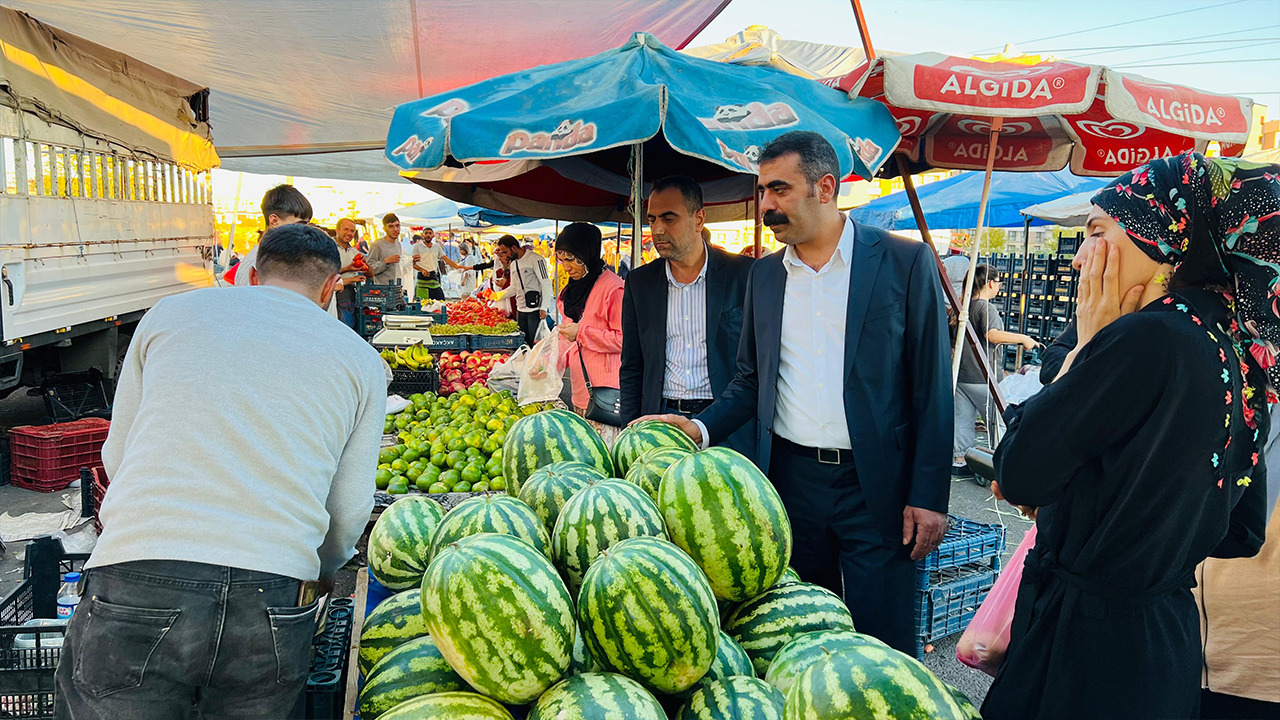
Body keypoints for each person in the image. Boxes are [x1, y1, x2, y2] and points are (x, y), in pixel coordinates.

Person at [981, 152, 1272, 720]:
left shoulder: (1143, 338)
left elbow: (1018, 472)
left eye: (1097, 231)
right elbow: (1241, 530)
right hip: (1164, 645)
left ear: (1163, 237)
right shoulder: (1240, 345)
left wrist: (1086, 349)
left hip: (1085, 654)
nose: (1080, 259)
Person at [55, 223, 384, 720]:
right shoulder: (361, 359)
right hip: (273, 591)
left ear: (251, 274)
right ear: (329, 289)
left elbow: (118, 454)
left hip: (140, 570)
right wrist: (312, 571)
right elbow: (349, 507)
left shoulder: (171, 314)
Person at [643, 131, 952, 654]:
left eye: (779, 190)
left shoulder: (904, 262)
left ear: (825, 187)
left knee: (883, 637)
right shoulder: (764, 276)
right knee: (806, 634)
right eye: (762, 190)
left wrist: (929, 496)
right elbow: (751, 380)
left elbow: (931, 390)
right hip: (789, 482)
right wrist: (699, 428)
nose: (766, 205)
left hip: (877, 485)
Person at [620, 175, 756, 457]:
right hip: (661, 421)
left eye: (669, 218)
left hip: (726, 419)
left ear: (699, 219)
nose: (657, 229)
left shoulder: (745, 275)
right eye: (652, 218)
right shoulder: (640, 283)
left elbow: (755, 368)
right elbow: (632, 365)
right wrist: (628, 431)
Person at [952, 263, 1038, 478]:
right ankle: (999, 465)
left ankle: (960, 461)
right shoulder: (985, 307)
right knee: (998, 422)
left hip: (962, 377)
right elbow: (993, 335)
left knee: (962, 419)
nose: (999, 286)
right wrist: (1023, 338)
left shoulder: (960, 308)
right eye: (999, 282)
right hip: (984, 377)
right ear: (991, 283)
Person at [555, 223, 625, 442]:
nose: (566, 267)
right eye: (562, 260)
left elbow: (624, 339)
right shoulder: (571, 290)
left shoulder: (614, 288)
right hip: (579, 386)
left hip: (605, 391)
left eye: (571, 259)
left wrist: (582, 333)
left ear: (588, 253)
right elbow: (568, 338)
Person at [232, 184, 312, 286]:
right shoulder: (255, 264)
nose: (305, 231)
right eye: (300, 225)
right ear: (274, 221)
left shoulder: (275, 259)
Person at [493, 234, 554, 346]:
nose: (504, 256)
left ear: (514, 248)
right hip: (520, 309)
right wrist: (497, 295)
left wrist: (544, 307)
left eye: (505, 252)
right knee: (523, 343)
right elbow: (514, 287)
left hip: (535, 310)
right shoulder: (513, 264)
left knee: (535, 344)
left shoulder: (535, 259)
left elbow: (546, 283)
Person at [333, 218, 372, 330]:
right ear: (337, 230)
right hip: (336, 293)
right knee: (344, 327)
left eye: (352, 231)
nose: (349, 233)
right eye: (346, 229)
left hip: (351, 293)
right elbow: (325, 274)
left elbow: (371, 273)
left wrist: (365, 264)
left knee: (351, 326)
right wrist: (347, 269)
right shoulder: (330, 247)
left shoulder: (354, 251)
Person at [412, 228, 465, 301]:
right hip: (422, 278)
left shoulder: (436, 247)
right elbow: (412, 263)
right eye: (426, 233)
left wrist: (457, 266)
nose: (428, 235)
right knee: (422, 304)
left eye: (430, 233)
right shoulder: (417, 247)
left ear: (433, 235)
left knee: (440, 300)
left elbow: (445, 259)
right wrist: (422, 270)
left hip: (433, 276)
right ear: (422, 235)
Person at [366, 213, 404, 286]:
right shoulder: (377, 245)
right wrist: (385, 262)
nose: (395, 229)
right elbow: (369, 269)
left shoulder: (398, 244)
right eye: (391, 226)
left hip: (396, 288)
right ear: (384, 229)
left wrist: (412, 261)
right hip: (382, 290)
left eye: (397, 225)